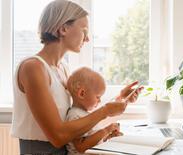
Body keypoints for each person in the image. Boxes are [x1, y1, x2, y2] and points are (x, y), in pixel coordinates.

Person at [11, 0, 142, 154]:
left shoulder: (62, 69)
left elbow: (79, 110)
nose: (87, 39)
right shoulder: (33, 68)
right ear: (63, 29)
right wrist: (106, 111)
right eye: (84, 31)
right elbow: (58, 136)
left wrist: (118, 99)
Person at [66, 67, 123, 154]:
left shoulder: (86, 115)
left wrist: (107, 137)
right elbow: (81, 147)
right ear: (82, 93)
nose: (99, 101)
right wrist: (106, 130)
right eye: (98, 97)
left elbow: (93, 142)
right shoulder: (74, 116)